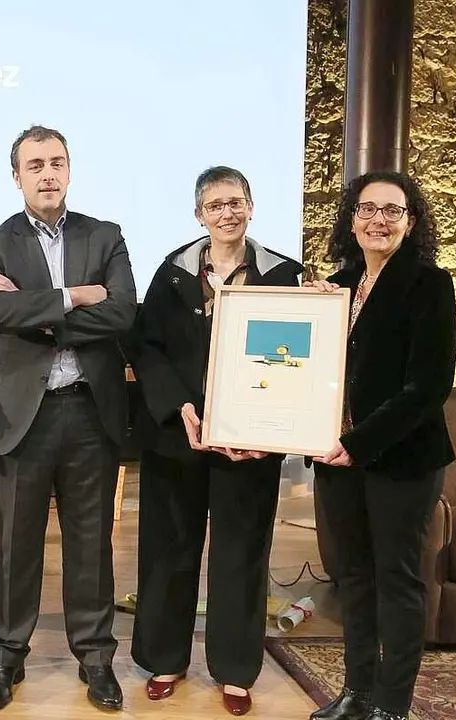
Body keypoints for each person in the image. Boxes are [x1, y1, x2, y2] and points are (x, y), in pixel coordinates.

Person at [0, 125, 136, 713]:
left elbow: (122, 314)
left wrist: (33, 308)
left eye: (56, 162)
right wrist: (76, 295)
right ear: (16, 175)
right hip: (23, 415)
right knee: (15, 544)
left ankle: (96, 657)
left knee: (91, 543)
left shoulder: (104, 235)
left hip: (90, 410)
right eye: (35, 164)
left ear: (69, 170)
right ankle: (6, 656)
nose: (47, 174)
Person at [127, 166, 302, 716]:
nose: (228, 213)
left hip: (250, 444)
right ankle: (165, 659)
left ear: (251, 206)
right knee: (169, 550)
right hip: (178, 437)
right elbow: (147, 347)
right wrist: (180, 408)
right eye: (216, 205)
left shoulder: (284, 274)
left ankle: (235, 669)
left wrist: (268, 426)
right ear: (199, 214)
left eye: (236, 202)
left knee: (240, 555)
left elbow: (295, 356)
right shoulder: (172, 271)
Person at [308, 171, 456, 720]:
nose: (378, 220)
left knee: (397, 579)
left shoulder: (429, 284)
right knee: (353, 578)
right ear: (351, 220)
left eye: (392, 210)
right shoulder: (335, 287)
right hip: (336, 459)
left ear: (410, 222)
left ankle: (392, 705)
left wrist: (359, 441)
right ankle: (359, 693)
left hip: (401, 459)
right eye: (367, 209)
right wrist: (309, 317)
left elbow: (429, 387)